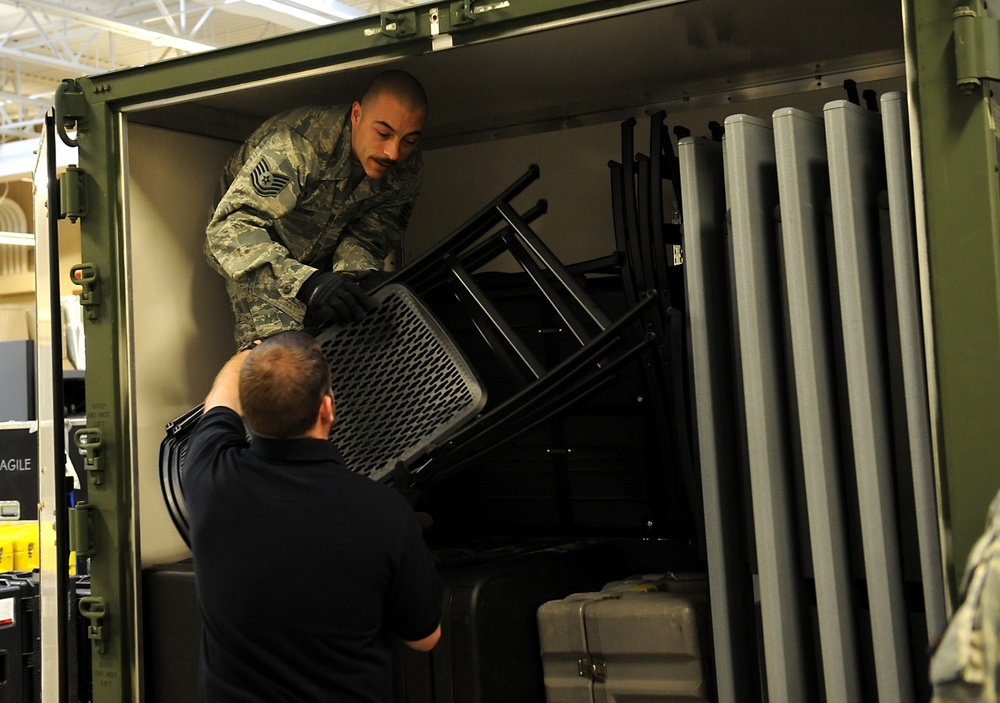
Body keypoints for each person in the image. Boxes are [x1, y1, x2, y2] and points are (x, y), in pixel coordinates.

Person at [183, 331, 443, 702]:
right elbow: (424, 638)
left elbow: (221, 395)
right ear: (327, 409)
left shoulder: (209, 478)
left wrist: (257, 351)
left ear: (248, 410)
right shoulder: (384, 511)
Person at [205, 70, 428, 348]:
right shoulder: (298, 146)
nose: (393, 152)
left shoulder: (406, 170)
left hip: (321, 263)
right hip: (258, 255)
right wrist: (307, 283)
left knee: (358, 343)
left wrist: (360, 277)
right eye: (383, 133)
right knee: (281, 358)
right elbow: (228, 229)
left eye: (409, 141)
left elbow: (367, 238)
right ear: (357, 115)